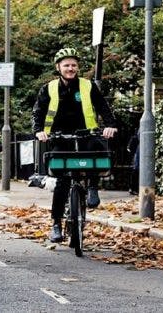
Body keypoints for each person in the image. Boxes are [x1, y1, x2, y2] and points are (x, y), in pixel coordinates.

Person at [32, 47, 118, 243]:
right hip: (60, 137)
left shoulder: (87, 86)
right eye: (66, 65)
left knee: (95, 152)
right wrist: (39, 130)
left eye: (74, 65)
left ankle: (93, 188)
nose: (70, 68)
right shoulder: (49, 88)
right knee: (62, 181)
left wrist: (110, 125)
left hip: (86, 133)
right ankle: (56, 224)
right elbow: (38, 111)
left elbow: (103, 106)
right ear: (58, 67)